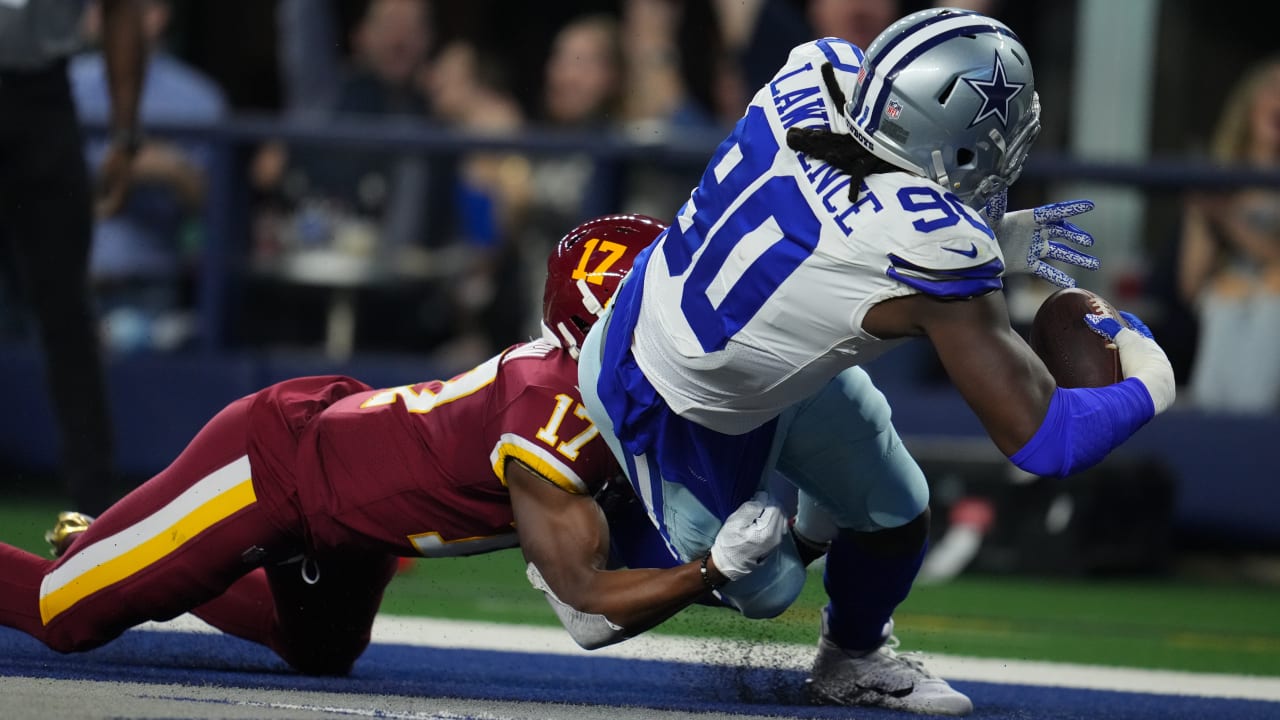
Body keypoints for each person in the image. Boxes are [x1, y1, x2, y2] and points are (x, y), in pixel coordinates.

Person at [578, 8, 1175, 716]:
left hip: (743, 344)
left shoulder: (817, 67)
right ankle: (598, 532)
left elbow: (860, 201)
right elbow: (1048, 439)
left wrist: (993, 240)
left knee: (896, 508)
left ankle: (852, 660)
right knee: (764, 589)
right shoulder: (929, 250)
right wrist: (1151, 373)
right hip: (664, 393)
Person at [0, 214, 787, 674]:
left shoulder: (607, 386)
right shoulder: (555, 417)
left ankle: (145, 554)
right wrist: (711, 570)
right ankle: (129, 556)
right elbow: (584, 606)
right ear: (605, 334)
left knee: (320, 654)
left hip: (355, 515)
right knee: (61, 614)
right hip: (276, 471)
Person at [0, 0, 145, 514]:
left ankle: (97, 511)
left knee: (67, 310)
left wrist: (125, 137)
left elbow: (122, 9)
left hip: (42, 96)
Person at [70, 0, 229, 353]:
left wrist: (175, 171)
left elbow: (222, 211)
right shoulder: (66, 84)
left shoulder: (199, 99)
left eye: (111, 6)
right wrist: (118, 166)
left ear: (155, 16)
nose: (95, 13)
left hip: (149, 289)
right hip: (63, 282)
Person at [1178, 56, 1280, 414]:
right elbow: (1191, 286)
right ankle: (1216, 419)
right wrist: (1204, 216)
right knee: (1223, 297)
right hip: (1226, 307)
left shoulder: (1224, 205)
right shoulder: (1218, 176)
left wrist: (1228, 219)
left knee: (1273, 294)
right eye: (1272, 90)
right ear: (1251, 103)